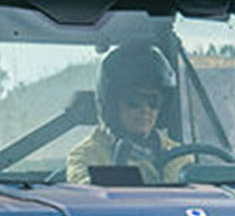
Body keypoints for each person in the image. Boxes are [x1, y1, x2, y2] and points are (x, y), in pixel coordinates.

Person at [65, 42, 188, 185]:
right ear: (112, 105)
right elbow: (88, 196)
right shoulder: (87, 155)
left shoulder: (178, 154)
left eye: (154, 101)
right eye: (134, 101)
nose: (146, 109)